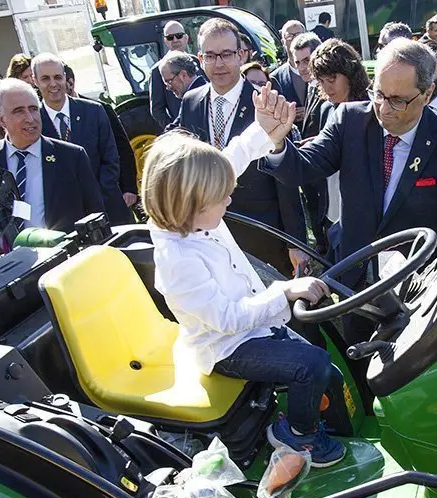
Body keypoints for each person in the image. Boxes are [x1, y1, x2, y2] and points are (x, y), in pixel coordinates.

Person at [144, 93, 347, 466]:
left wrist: (264, 132)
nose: (229, 203)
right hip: (225, 347)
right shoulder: (178, 259)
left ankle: (323, 422)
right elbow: (228, 320)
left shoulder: (198, 216)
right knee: (312, 365)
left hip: (254, 325)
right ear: (190, 202)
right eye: (222, 198)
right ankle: (295, 435)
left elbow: (231, 159)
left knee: (329, 371)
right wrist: (284, 291)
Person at [260, 38, 437, 288]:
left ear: (427, 93)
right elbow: (303, 167)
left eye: (397, 100)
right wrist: (277, 142)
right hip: (353, 275)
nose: (384, 109)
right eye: (378, 94)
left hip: (416, 288)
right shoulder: (349, 121)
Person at [171, 18, 308, 278]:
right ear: (200, 58)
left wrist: (295, 243)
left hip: (262, 233)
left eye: (227, 54)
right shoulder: (191, 102)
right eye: (211, 55)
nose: (219, 63)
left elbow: (286, 180)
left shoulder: (264, 102)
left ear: (241, 55)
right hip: (207, 236)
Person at [0, 79, 104, 233]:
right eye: (19, 111)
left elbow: (96, 214)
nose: (30, 118)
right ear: (1, 119)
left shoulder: (71, 156)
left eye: (33, 109)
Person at [33, 53, 133, 225]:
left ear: (65, 78)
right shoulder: (34, 123)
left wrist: (95, 197)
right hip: (64, 218)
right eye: (45, 78)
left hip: (108, 210)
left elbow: (111, 159)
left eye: (57, 77)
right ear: (35, 81)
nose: (53, 84)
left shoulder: (94, 111)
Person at [305, 38, 372, 253]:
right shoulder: (326, 109)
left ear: (350, 74)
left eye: (332, 79)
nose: (327, 87)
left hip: (365, 220)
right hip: (332, 214)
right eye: (321, 81)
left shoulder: (373, 109)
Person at [65, 65, 138, 210]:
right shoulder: (44, 118)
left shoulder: (100, 109)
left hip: (110, 193)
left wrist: (129, 188)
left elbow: (122, 149)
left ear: (71, 83)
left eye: (58, 80)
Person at [151, 21, 204, 130]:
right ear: (165, 41)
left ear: (186, 38)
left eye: (179, 36)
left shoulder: (197, 61)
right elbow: (157, 110)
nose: (175, 40)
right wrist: (177, 128)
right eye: (170, 37)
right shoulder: (157, 70)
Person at [270, 20, 309, 115]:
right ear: (283, 42)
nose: (295, 39)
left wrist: (310, 113)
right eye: (289, 36)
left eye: (299, 35)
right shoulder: (275, 77)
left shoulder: (320, 71)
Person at [292, 33, 325, 134]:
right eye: (297, 62)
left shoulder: (329, 88)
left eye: (307, 60)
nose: (301, 68)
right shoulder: (311, 85)